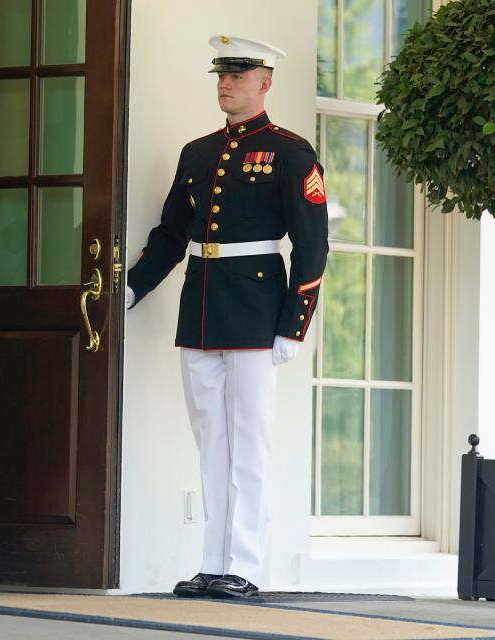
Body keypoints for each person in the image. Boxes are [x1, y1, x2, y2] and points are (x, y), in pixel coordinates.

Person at [126, 35, 329, 598]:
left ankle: (245, 565)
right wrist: (129, 291)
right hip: (202, 310)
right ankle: (214, 562)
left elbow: (312, 246)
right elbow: (171, 236)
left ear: (265, 82)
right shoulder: (197, 153)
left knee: (250, 444)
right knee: (211, 443)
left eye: (239, 74)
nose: (226, 82)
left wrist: (293, 324)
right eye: (221, 73)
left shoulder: (290, 152)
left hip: (257, 311)